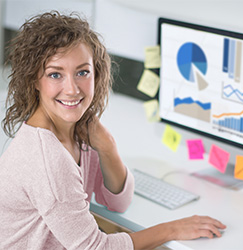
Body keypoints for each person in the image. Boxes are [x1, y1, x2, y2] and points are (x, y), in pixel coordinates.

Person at [0, 11, 226, 250]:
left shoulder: (77, 130)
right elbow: (96, 248)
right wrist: (172, 229)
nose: (72, 89)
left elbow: (117, 202)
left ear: (96, 74)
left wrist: (107, 144)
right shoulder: (47, 158)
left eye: (82, 72)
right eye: (55, 74)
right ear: (34, 80)